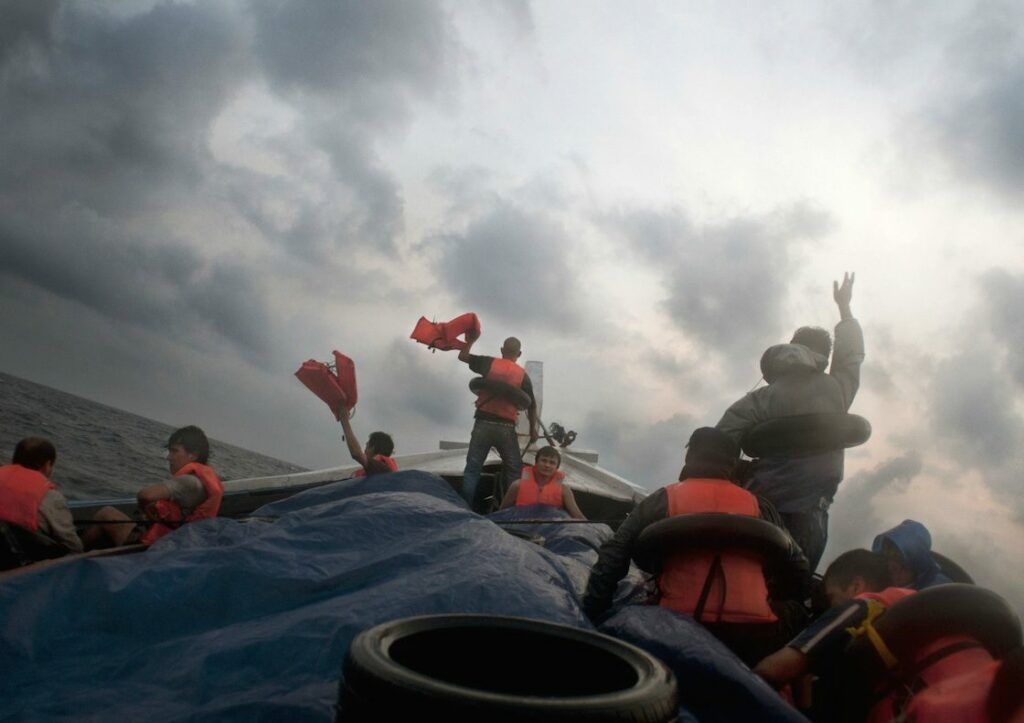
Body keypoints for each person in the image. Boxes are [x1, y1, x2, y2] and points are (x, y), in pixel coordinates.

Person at [582, 427, 809, 666]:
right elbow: (799, 569)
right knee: (799, 612)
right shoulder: (761, 506)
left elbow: (613, 555)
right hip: (754, 636)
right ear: (732, 464)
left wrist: (591, 615)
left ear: (689, 458)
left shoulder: (662, 499)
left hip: (675, 627)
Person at [716, 272, 864, 571]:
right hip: (811, 516)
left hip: (758, 509)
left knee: (745, 577)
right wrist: (845, 309)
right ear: (824, 357)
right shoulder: (837, 391)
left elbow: (722, 438)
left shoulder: (761, 398)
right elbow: (851, 357)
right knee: (790, 593)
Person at [81, 426, 223, 548]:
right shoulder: (205, 482)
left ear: (193, 455)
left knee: (106, 513)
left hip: (152, 548)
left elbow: (145, 495)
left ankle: (70, 556)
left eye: (174, 451)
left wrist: (145, 510)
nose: (169, 457)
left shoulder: (189, 482)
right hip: (176, 546)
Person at [458, 335, 538, 509]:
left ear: (502, 350)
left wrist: (471, 339)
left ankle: (463, 508)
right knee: (514, 470)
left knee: (472, 469)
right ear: (520, 353)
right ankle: (509, 511)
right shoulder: (523, 376)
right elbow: (532, 406)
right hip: (506, 428)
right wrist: (533, 430)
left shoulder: (488, 363)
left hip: (482, 423)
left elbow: (462, 356)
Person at [0, 437, 83, 558]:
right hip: (25, 560)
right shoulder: (50, 497)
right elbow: (74, 547)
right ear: (47, 465)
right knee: (107, 514)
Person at [499, 446, 586, 519]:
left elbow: (578, 517)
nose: (547, 465)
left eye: (552, 463)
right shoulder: (517, 485)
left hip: (550, 533)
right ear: (536, 463)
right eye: (544, 460)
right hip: (520, 532)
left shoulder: (565, 491)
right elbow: (501, 513)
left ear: (556, 468)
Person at [872, 519, 952, 590]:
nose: (890, 566)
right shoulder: (876, 587)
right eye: (886, 557)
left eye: (899, 559)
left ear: (916, 562)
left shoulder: (940, 589)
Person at [339, 409, 397, 477]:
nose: (364, 450)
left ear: (373, 448)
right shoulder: (382, 469)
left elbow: (356, 454)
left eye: (367, 445)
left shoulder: (380, 467)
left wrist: (344, 419)